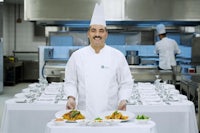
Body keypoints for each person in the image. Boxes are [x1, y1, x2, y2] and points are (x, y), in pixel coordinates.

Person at [64, 3, 133, 119]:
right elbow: (70, 81)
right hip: (84, 115)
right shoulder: (77, 56)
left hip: (110, 115)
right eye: (93, 30)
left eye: (101, 31)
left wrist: (123, 99)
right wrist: (71, 97)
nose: (97, 34)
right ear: (88, 34)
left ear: (106, 34)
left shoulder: (117, 56)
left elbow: (126, 82)